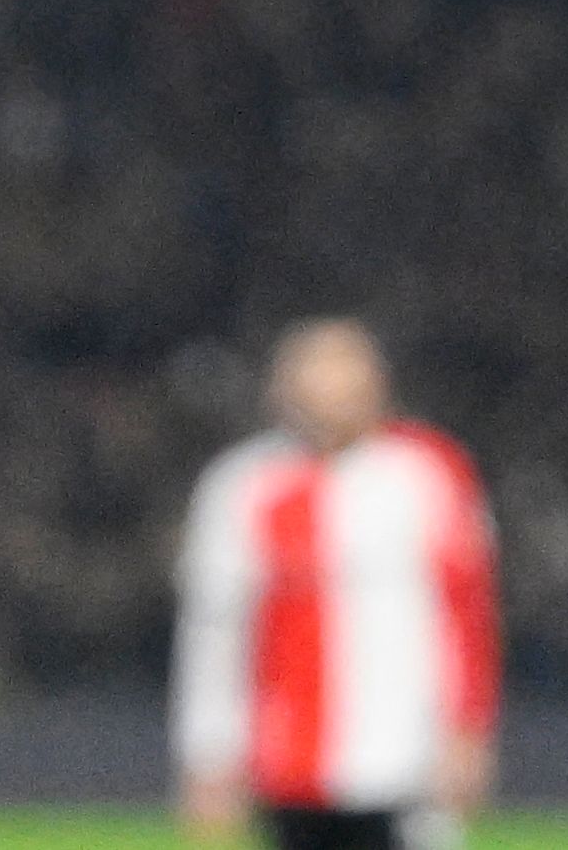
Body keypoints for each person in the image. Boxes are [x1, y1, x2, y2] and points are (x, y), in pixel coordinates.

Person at [174, 319, 500, 850]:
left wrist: (468, 730)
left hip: (408, 757)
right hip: (287, 762)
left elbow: (467, 611)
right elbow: (214, 628)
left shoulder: (429, 473)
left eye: (346, 377)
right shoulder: (242, 484)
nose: (330, 396)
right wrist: (208, 751)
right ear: (281, 391)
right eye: (315, 379)